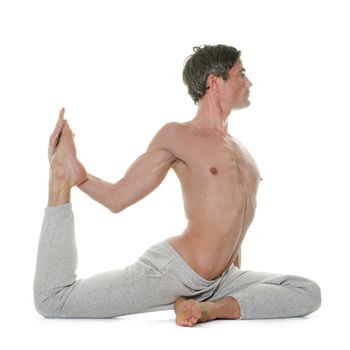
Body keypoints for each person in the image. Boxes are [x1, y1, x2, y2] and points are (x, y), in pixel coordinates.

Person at [34, 44, 321, 326]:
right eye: (241, 74)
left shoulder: (243, 153)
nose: (249, 82)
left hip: (222, 281)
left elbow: (233, 225)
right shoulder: (177, 136)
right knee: (54, 301)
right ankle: (60, 178)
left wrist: (235, 281)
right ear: (214, 81)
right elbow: (117, 198)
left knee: (307, 292)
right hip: (174, 273)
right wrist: (79, 178)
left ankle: (207, 309)